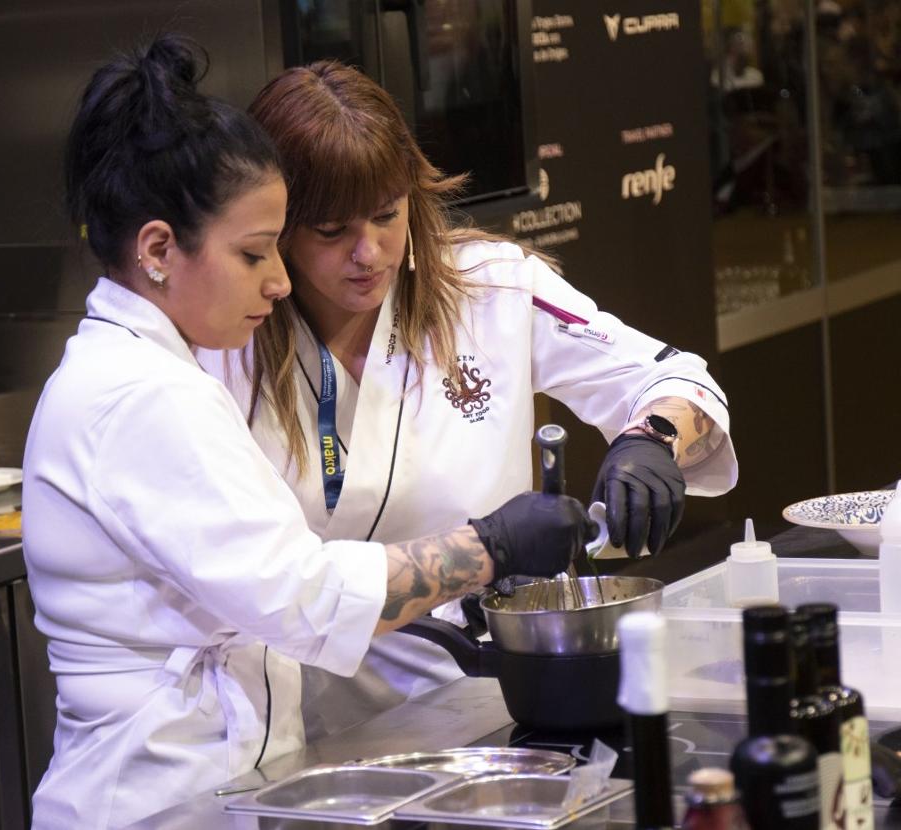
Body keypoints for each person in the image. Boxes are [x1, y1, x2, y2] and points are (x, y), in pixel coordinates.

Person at [21, 37, 599, 829]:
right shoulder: (139, 398)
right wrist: (490, 545)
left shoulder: (153, 372)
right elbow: (304, 597)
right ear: (158, 249)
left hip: (211, 791)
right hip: (151, 803)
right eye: (255, 252)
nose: (281, 281)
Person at [202, 60, 740, 740]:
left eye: (386, 215)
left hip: (493, 704)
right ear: (276, 227)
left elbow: (674, 377)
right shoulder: (228, 342)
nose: (368, 253)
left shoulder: (488, 287)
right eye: (331, 232)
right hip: (311, 732)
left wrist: (653, 439)